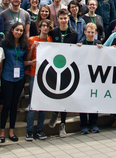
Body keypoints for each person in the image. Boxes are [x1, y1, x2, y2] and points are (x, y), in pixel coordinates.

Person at [0, 22, 30, 143]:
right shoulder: (4, 44)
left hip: (20, 77)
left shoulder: (23, 45)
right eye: (17, 30)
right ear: (12, 30)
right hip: (7, 77)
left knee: (14, 105)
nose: (19, 32)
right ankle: (1, 131)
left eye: (21, 31)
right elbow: (1, 61)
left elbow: (24, 61)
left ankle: (11, 131)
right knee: (6, 105)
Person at [49, 9, 78, 137]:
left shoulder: (73, 33)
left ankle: (63, 125)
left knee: (65, 96)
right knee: (55, 93)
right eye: (61, 18)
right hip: (54, 67)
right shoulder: (53, 32)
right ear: (58, 19)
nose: (63, 20)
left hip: (67, 68)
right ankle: (55, 113)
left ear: (68, 19)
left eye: (65, 18)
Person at [25, 19, 52, 141]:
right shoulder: (32, 40)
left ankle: (40, 130)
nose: (45, 28)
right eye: (43, 26)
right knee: (33, 103)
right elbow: (27, 59)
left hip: (45, 75)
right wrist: (32, 48)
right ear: (39, 28)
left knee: (44, 103)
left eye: (47, 26)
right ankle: (29, 130)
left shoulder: (50, 40)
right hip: (34, 74)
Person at [76, 23, 103, 134]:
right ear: (85, 32)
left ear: (95, 33)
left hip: (94, 76)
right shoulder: (81, 44)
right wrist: (77, 49)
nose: (90, 34)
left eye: (93, 32)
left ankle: (93, 123)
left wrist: (102, 50)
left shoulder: (98, 44)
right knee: (83, 100)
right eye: (89, 32)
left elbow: (104, 58)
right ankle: (83, 124)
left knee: (93, 99)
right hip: (83, 76)